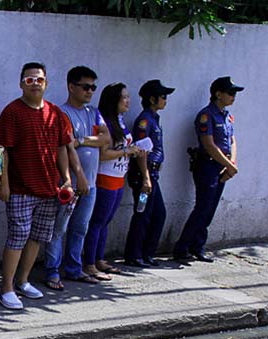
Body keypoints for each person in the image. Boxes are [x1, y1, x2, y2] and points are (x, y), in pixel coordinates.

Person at [0, 62, 73, 310]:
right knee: (17, 238)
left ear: (46, 83)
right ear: (21, 84)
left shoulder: (56, 114)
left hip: (49, 190)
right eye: (29, 80)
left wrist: (67, 178)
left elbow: (62, 148)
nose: (35, 83)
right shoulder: (12, 113)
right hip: (19, 189)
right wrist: (3, 183)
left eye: (39, 79)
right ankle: (5, 288)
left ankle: (23, 281)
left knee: (38, 238)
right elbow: (2, 152)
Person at [44, 66, 109, 289]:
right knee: (59, 228)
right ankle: (52, 271)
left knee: (80, 227)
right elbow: (65, 146)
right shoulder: (61, 113)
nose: (90, 91)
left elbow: (105, 139)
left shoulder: (94, 112)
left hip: (90, 182)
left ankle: (74, 268)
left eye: (93, 87)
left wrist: (82, 140)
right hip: (70, 183)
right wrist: (76, 177)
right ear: (71, 87)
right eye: (85, 87)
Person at [173, 76, 244, 264]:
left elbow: (232, 140)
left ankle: (198, 246)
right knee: (203, 207)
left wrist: (232, 163)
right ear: (218, 94)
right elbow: (209, 145)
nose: (233, 96)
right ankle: (182, 247)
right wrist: (229, 166)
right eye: (230, 93)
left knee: (210, 208)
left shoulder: (226, 115)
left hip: (223, 167)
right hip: (207, 165)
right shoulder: (206, 115)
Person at [84, 83, 141, 274]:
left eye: (128, 96)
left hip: (119, 177)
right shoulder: (104, 121)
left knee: (106, 222)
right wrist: (127, 150)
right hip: (105, 177)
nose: (128, 100)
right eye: (124, 97)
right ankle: (90, 263)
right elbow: (102, 153)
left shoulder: (120, 120)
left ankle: (99, 259)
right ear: (113, 99)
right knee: (97, 221)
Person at [123, 79, 175, 268]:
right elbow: (141, 151)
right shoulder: (144, 120)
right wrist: (145, 177)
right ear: (152, 99)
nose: (165, 100)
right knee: (143, 214)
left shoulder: (154, 119)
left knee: (158, 214)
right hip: (144, 175)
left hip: (152, 175)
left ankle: (146, 253)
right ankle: (134, 255)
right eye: (163, 96)